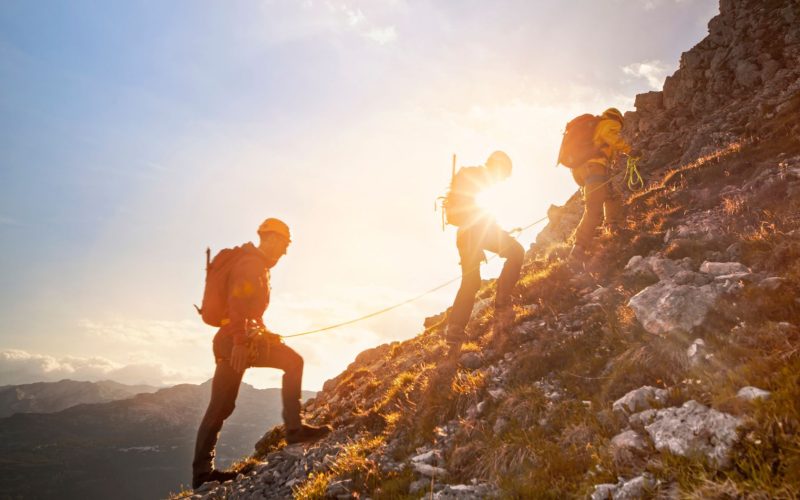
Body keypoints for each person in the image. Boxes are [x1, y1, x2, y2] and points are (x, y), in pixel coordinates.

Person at [192, 218, 330, 489]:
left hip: (239, 340)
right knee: (221, 405)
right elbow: (237, 303)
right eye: (283, 244)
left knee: (288, 364)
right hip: (234, 343)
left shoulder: (258, 266)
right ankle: (202, 474)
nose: (284, 251)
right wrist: (241, 343)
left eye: (286, 246)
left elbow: (247, 310)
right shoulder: (251, 264)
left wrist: (262, 333)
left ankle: (293, 430)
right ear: (269, 239)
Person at [443, 151, 524, 361]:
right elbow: (479, 213)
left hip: (464, 234)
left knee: (470, 282)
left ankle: (454, 331)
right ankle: (502, 304)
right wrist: (499, 233)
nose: (504, 179)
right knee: (516, 252)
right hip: (477, 232)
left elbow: (477, 211)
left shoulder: (474, 176)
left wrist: (499, 231)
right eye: (504, 174)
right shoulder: (483, 178)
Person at [569, 108, 632, 263]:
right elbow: (608, 135)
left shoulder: (596, 126)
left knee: (612, 196)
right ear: (618, 119)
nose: (619, 129)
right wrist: (630, 150)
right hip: (594, 167)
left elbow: (603, 141)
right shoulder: (609, 123)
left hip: (585, 170)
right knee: (594, 206)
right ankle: (578, 248)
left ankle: (612, 227)